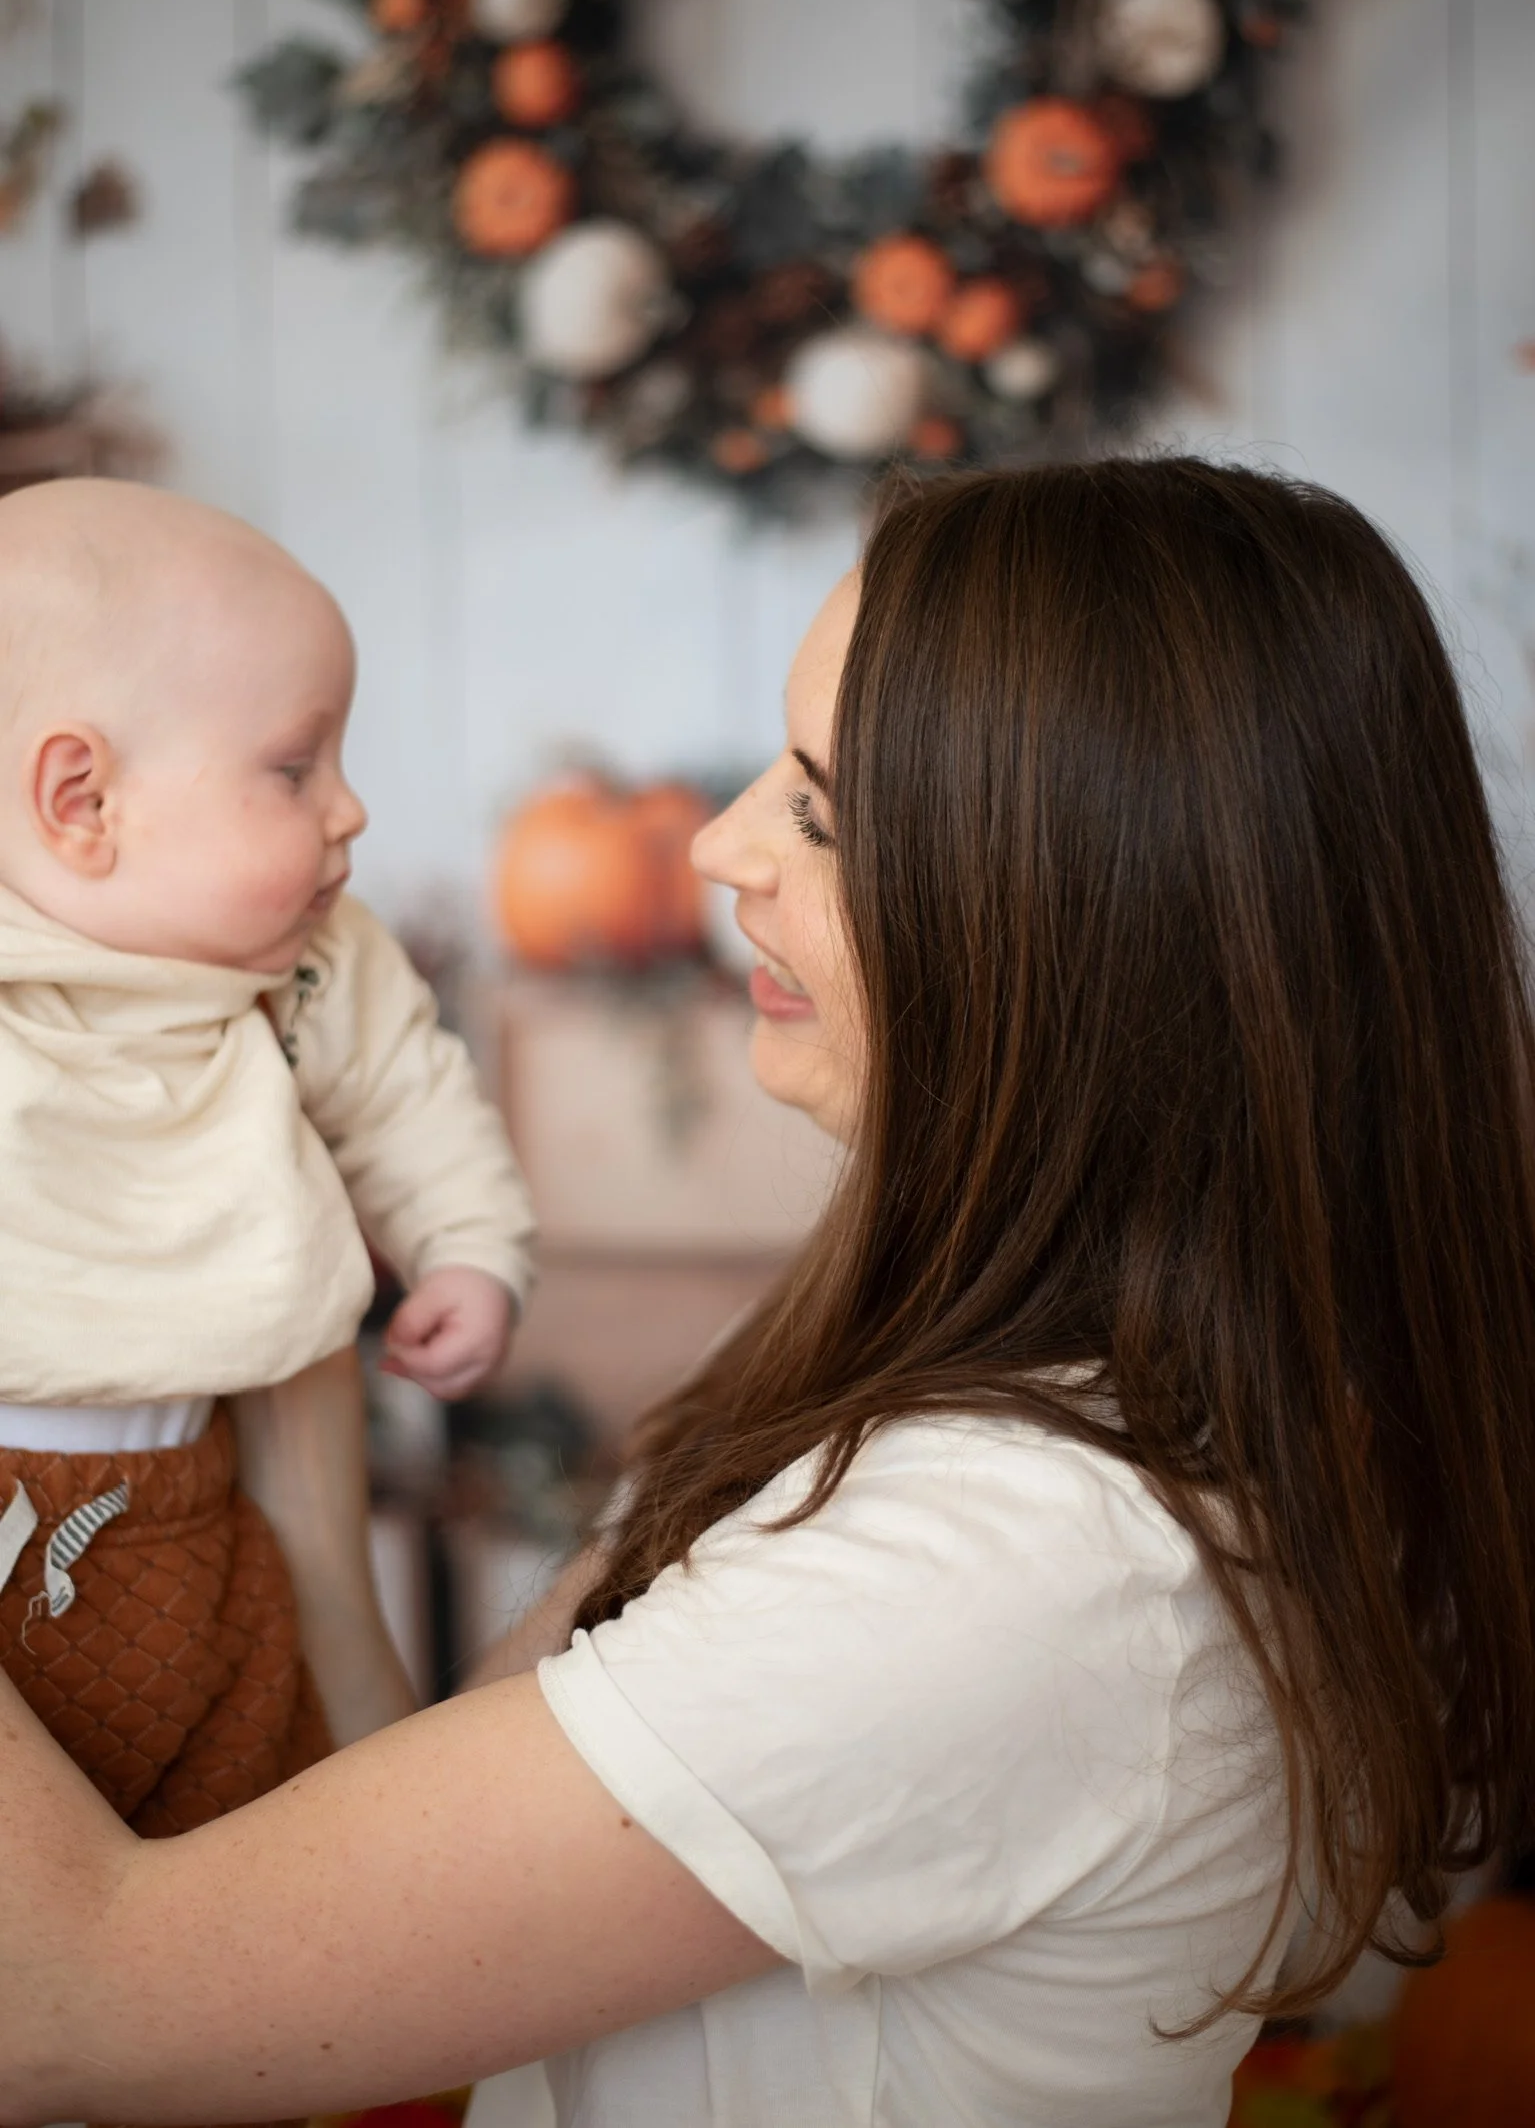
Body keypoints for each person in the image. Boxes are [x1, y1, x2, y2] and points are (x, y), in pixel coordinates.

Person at [1, 458, 1533, 2128]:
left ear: (1065, 917)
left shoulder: (1003, 1570)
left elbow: (65, 2001)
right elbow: (415, 1831)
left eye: (815, 803)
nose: (719, 842)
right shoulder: (967, 1362)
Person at [0, 479, 537, 1830]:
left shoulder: (298, 971)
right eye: (296, 768)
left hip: (208, 1509)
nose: (350, 811)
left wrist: (471, 1250)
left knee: (255, 1801)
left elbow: (412, 1097)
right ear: (81, 800)